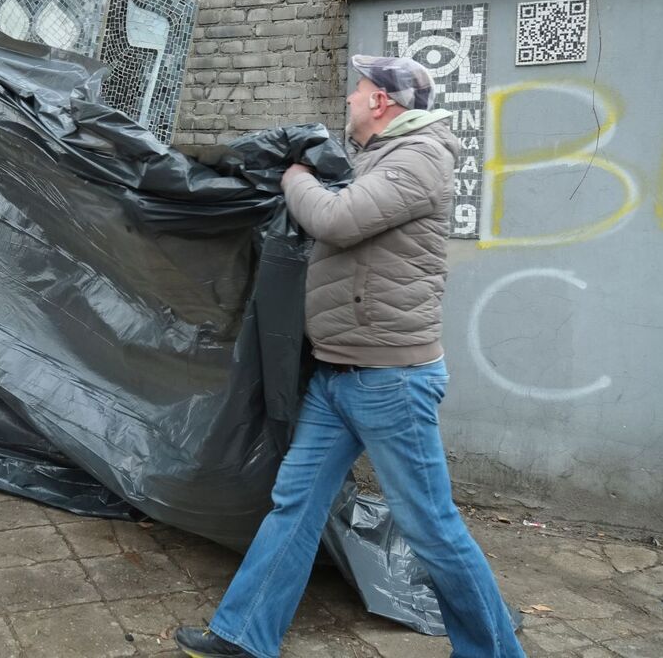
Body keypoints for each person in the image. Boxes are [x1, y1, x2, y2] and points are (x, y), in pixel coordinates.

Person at [175, 57, 525, 658]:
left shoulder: (421, 157)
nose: (351, 98)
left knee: (430, 527)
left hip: (390, 377)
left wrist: (293, 177)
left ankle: (494, 653)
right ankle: (243, 635)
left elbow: (336, 221)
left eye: (360, 90)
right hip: (339, 373)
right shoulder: (377, 157)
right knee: (296, 503)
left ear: (383, 103)